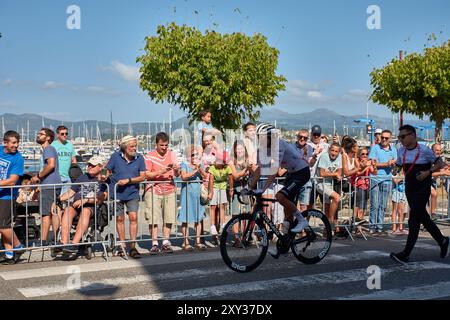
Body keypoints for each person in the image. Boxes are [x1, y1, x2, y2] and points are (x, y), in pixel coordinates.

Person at [390, 125, 449, 264]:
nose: (401, 139)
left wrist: (427, 173)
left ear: (412, 135)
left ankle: (405, 254)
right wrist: (394, 168)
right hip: (409, 188)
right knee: (421, 217)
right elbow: (398, 166)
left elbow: (439, 163)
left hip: (422, 188)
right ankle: (442, 240)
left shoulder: (424, 150)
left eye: (403, 136)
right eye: (400, 137)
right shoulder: (401, 151)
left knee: (413, 219)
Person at [250, 123, 310, 257]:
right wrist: (248, 188)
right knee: (286, 210)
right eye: (260, 137)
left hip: (302, 172)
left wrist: (262, 189)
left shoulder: (279, 144)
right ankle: (284, 244)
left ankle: (302, 220)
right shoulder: (264, 148)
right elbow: (260, 169)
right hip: (292, 173)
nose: (261, 140)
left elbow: (273, 171)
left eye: (264, 137)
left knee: (279, 196)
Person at [106, 135, 146, 259]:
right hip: (117, 192)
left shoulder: (140, 158)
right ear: (124, 147)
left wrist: (128, 180)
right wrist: (103, 176)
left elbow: (142, 176)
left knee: (133, 217)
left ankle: (133, 247)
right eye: (132, 146)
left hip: (132, 192)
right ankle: (122, 245)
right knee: (120, 219)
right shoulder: (115, 157)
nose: (134, 148)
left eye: (135, 146)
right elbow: (107, 170)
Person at [59, 156, 107, 254]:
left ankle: (74, 244)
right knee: (68, 210)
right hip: (77, 204)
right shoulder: (83, 177)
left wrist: (85, 200)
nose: (89, 167)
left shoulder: (103, 181)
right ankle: (64, 243)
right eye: (88, 165)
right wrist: (57, 200)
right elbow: (71, 192)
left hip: (91, 206)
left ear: (100, 167)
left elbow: (101, 199)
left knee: (85, 211)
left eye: (92, 165)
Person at [144, 132, 180, 254]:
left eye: (166, 145)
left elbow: (177, 174)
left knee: (169, 217)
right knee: (153, 218)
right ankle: (154, 243)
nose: (164, 148)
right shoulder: (149, 156)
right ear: (156, 144)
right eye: (161, 145)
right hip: (153, 189)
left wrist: (176, 170)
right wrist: (161, 171)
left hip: (169, 189)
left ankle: (165, 242)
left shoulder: (172, 154)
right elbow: (146, 174)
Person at [31, 128, 62, 250]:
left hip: (49, 186)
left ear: (48, 138)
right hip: (54, 184)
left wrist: (38, 177)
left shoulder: (48, 149)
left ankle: (43, 241)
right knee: (53, 211)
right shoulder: (50, 149)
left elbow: (51, 165)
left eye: (41, 134)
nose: (38, 135)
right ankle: (55, 239)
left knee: (45, 214)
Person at [0, 131, 26, 264]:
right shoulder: (0, 151)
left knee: (4, 226)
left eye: (17, 143)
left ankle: (18, 246)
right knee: (3, 226)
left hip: (7, 195)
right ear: (5, 142)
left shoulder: (18, 158)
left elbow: (12, 180)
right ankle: (9, 254)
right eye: (13, 143)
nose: (16, 145)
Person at [178, 146, 209, 251]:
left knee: (198, 219)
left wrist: (199, 169)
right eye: (192, 155)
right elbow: (183, 177)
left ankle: (198, 241)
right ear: (188, 156)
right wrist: (195, 170)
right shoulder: (184, 165)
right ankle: (185, 242)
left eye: (196, 154)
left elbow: (205, 177)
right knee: (185, 219)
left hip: (197, 196)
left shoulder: (200, 166)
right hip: (187, 195)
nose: (195, 157)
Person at [368, 130, 397, 234]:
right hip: (375, 178)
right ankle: (372, 226)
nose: (384, 139)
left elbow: (394, 167)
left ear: (390, 139)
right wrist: (387, 164)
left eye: (386, 138)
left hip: (387, 179)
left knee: (383, 205)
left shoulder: (393, 149)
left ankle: (380, 227)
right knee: (374, 205)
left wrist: (393, 165)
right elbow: (373, 164)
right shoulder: (375, 148)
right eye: (383, 137)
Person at [316, 143, 343, 236]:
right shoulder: (324, 157)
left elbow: (339, 171)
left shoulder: (339, 157)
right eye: (332, 150)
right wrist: (335, 174)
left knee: (327, 209)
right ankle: (331, 221)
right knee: (337, 197)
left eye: (336, 151)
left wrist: (338, 175)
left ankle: (326, 231)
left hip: (330, 184)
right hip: (320, 183)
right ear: (329, 150)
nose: (334, 153)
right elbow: (322, 173)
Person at [228, 141, 251, 247]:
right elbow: (235, 176)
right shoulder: (232, 161)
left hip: (246, 189)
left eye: (241, 148)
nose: (239, 150)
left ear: (244, 149)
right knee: (236, 214)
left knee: (247, 213)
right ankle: (237, 238)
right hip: (236, 189)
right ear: (234, 150)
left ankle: (245, 237)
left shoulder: (248, 159)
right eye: (237, 149)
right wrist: (246, 170)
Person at [208, 151, 233, 245]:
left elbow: (230, 179)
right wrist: (210, 192)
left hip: (222, 187)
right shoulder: (212, 168)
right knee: (213, 206)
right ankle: (213, 225)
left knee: (222, 206)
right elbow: (211, 180)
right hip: (214, 187)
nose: (217, 163)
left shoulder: (227, 168)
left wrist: (231, 189)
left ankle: (223, 223)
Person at [294, 129, 318, 212]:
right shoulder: (292, 147)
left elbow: (310, 164)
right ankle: (292, 224)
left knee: (304, 207)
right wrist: (304, 156)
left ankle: (302, 224)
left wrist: (315, 156)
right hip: (293, 179)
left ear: (307, 139)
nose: (302, 139)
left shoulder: (309, 148)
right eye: (300, 137)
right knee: (292, 206)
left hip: (305, 180)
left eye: (305, 138)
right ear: (297, 137)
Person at [354, 148, 377, 227]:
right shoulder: (357, 162)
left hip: (366, 186)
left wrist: (374, 165)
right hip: (359, 186)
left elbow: (374, 173)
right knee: (360, 207)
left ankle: (360, 226)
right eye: (363, 154)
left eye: (366, 154)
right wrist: (366, 167)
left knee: (363, 207)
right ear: (359, 155)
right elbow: (358, 172)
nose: (365, 156)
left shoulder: (368, 163)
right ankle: (358, 227)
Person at [51, 125, 77, 195]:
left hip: (68, 177)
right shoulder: (53, 145)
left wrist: (74, 172)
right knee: (55, 199)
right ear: (58, 135)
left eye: (66, 133)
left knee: (66, 200)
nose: (65, 135)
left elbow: (73, 160)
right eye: (62, 134)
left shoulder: (70, 144)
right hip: (56, 177)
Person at [429, 143, 450, 220]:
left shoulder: (439, 159)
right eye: (436, 150)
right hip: (422, 181)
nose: (438, 152)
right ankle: (432, 214)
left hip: (431, 182)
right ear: (432, 150)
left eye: (440, 150)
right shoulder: (427, 159)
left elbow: (445, 167)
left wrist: (446, 169)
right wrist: (442, 172)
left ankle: (432, 214)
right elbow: (428, 174)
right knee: (433, 194)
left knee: (433, 195)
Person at [391, 171, 407, 236]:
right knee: (395, 210)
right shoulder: (395, 171)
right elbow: (395, 181)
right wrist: (403, 176)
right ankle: (394, 228)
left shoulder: (405, 171)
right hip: (396, 191)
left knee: (401, 211)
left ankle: (400, 228)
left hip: (403, 192)